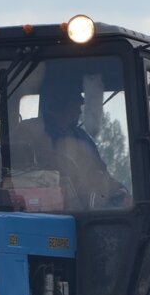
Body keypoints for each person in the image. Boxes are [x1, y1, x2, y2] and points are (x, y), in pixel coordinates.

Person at [9, 78, 129, 210]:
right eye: (75, 106)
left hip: (82, 211)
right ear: (60, 104)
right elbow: (3, 159)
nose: (79, 111)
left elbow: (99, 173)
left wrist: (118, 189)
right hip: (38, 207)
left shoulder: (81, 137)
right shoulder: (29, 131)